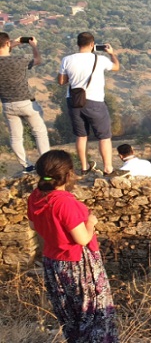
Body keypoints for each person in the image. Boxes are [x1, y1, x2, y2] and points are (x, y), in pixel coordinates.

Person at [26, 150, 117, 342]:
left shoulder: (36, 197)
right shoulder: (64, 203)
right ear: (68, 175)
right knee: (94, 316)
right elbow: (82, 239)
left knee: (71, 317)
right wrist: (91, 222)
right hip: (78, 265)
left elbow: (33, 225)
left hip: (53, 263)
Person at [57, 32, 121, 177]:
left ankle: (84, 167)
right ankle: (108, 169)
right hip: (95, 101)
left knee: (81, 135)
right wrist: (112, 54)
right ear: (92, 44)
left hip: (74, 101)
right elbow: (116, 67)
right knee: (104, 136)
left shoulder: (67, 59)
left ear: (78, 43)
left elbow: (61, 81)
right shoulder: (100, 59)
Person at [0, 34, 50, 173]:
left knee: (15, 137)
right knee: (39, 133)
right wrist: (33, 45)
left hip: (7, 104)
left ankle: (26, 165)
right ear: (8, 44)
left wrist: (13, 43)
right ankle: (45, 164)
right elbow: (38, 60)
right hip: (26, 103)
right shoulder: (19, 60)